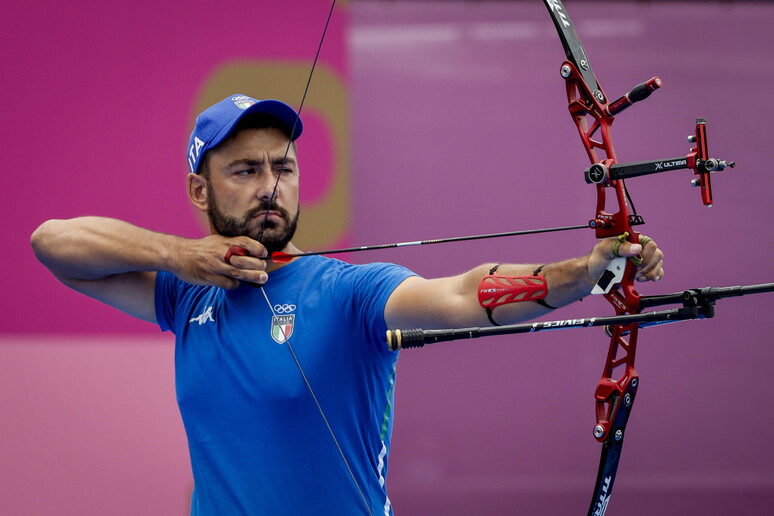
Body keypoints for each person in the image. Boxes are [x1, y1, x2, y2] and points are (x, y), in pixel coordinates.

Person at [31, 94, 664, 516]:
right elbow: (54, 243)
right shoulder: (183, 294)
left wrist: (584, 273)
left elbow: (462, 293)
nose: (270, 187)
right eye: (245, 170)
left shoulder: (346, 292)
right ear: (201, 189)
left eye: (283, 167)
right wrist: (180, 257)